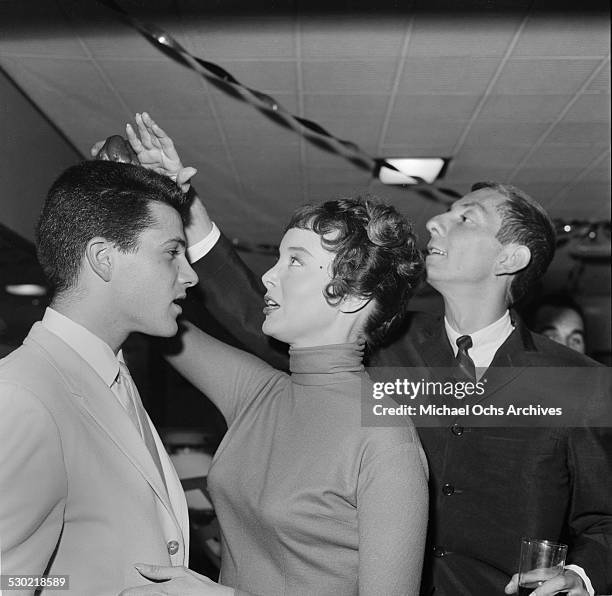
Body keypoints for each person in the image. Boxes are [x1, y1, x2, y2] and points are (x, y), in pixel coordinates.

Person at [111, 114, 611, 596]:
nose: (437, 219)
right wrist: (183, 202)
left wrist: (583, 575)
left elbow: (606, 519)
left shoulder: (575, 383)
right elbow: (263, 315)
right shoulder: (386, 345)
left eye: (465, 218)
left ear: (510, 257)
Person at [0, 160, 198, 595]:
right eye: (171, 252)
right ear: (103, 258)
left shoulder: (109, 373)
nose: (189, 274)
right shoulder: (23, 395)